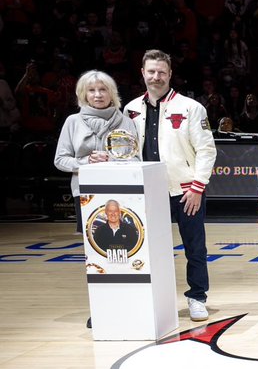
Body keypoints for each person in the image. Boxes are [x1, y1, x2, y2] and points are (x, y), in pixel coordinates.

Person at [124, 50, 217, 321]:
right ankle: (153, 299)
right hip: (147, 193)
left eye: (161, 72)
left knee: (195, 248)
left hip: (186, 191)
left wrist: (197, 187)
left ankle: (197, 297)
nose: (156, 77)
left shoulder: (190, 107)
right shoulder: (130, 109)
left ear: (170, 74)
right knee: (147, 248)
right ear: (142, 73)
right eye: (151, 71)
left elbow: (206, 150)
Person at [54, 70, 137, 232]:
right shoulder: (73, 122)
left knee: (122, 240)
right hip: (85, 191)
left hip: (121, 189)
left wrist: (110, 161)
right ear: (84, 95)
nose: (97, 94)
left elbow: (136, 160)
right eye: (91, 90)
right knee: (92, 243)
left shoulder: (126, 122)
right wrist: (87, 162)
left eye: (103, 89)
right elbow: (60, 160)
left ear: (112, 93)